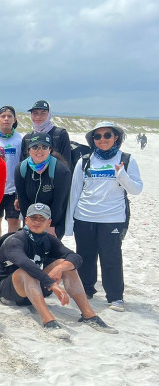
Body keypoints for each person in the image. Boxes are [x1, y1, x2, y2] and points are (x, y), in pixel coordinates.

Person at [0, 203, 117, 335]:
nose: (37, 222)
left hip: (35, 287)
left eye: (42, 219)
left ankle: (89, 315)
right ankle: (48, 320)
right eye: (34, 218)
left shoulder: (49, 240)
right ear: (26, 220)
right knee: (26, 271)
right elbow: (24, 262)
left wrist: (60, 268)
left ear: (49, 222)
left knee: (64, 263)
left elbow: (76, 257)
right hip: (8, 289)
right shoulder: (15, 239)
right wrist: (51, 283)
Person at [66, 122, 142, 311]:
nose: (102, 140)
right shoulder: (84, 160)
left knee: (111, 257)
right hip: (84, 216)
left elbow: (136, 189)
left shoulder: (126, 159)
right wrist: (69, 224)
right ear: (93, 140)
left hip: (112, 218)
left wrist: (122, 174)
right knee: (85, 256)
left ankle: (115, 297)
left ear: (115, 137)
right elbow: (75, 192)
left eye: (107, 135)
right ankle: (87, 290)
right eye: (97, 136)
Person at [14, 133, 71, 238]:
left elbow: (60, 202)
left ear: (50, 149)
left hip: (54, 220)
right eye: (35, 147)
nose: (39, 151)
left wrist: (51, 224)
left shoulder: (61, 171)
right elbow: (23, 199)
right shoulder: (21, 169)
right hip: (30, 219)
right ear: (29, 150)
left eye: (44, 147)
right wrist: (29, 222)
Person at [0, 105, 23, 240]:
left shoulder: (20, 139)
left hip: (13, 189)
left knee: (14, 222)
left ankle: (12, 253)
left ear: (14, 119)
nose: (6, 119)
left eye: (9, 116)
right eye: (3, 116)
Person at [20, 100, 71, 165]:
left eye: (43, 113)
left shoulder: (60, 134)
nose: (38, 117)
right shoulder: (27, 138)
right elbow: (23, 165)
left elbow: (67, 163)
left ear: (49, 114)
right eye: (35, 113)